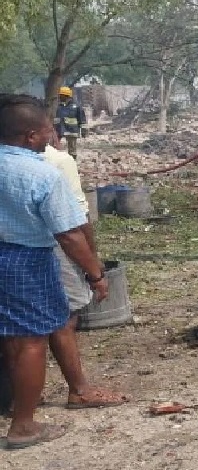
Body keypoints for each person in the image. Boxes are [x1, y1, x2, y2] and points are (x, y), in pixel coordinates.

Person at [0, 94, 109, 450]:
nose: (53, 135)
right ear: (31, 135)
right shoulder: (43, 174)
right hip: (26, 260)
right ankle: (23, 426)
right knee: (31, 341)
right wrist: (95, 273)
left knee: (10, 337)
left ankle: (17, 404)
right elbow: (69, 234)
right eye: (48, 130)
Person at [41, 141, 129, 410]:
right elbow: (77, 222)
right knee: (64, 318)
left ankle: (19, 394)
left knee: (21, 325)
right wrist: (94, 268)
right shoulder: (56, 162)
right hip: (52, 245)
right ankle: (78, 390)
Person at [54, 86, 87, 159]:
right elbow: (56, 118)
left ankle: (72, 161)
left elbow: (82, 119)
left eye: (61, 96)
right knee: (55, 147)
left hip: (72, 131)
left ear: (66, 96)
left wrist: (84, 130)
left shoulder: (76, 106)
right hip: (60, 130)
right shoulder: (59, 106)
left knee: (72, 150)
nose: (59, 97)